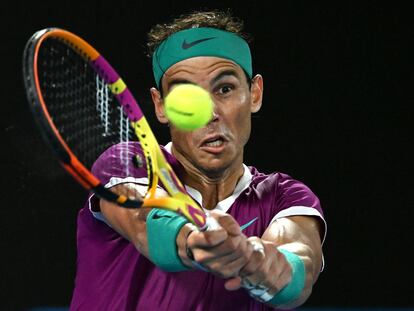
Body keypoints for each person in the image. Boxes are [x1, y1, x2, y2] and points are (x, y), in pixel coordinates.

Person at [70, 9, 326, 311]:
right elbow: (144, 222)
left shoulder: (286, 196)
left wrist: (260, 262)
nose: (208, 113)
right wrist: (193, 240)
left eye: (225, 89)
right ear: (160, 106)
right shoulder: (127, 164)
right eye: (186, 98)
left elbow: (300, 265)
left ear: (255, 93)